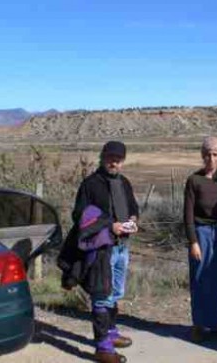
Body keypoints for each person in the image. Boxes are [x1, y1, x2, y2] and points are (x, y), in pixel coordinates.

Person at [67, 141, 138, 363]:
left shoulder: (124, 182)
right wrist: (110, 226)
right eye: (110, 158)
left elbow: (133, 206)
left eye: (118, 159)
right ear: (102, 157)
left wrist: (134, 219)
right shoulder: (90, 184)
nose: (113, 162)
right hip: (101, 250)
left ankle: (111, 331)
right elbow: (80, 216)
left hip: (122, 247)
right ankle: (103, 347)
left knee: (115, 292)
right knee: (101, 294)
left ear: (123, 161)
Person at [183, 136, 217, 342]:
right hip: (201, 232)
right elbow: (187, 214)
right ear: (202, 156)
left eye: (215, 154)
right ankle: (198, 324)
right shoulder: (194, 180)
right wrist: (193, 241)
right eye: (207, 154)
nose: (211, 158)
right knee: (199, 277)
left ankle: (216, 323)